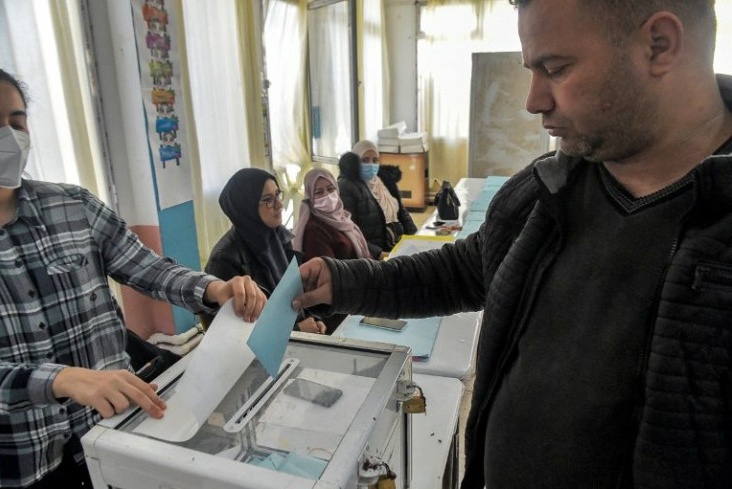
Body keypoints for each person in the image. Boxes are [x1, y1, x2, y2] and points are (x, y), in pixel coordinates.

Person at [293, 1, 732, 488]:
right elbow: (463, 271)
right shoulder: (551, 186)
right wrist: (346, 279)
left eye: (556, 68)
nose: (534, 101)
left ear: (659, 45)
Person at [0, 68, 268, 488]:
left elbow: (147, 267)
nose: (8, 137)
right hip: (25, 460)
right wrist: (62, 379)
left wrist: (214, 288)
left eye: (16, 122)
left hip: (116, 429)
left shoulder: (72, 206)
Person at [205, 167, 325, 334]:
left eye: (277, 195)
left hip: (295, 341)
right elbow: (236, 333)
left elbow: (294, 293)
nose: (279, 205)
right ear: (246, 206)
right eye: (268, 199)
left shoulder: (279, 238)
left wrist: (313, 318)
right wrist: (296, 330)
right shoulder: (225, 260)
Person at [337, 140, 417, 258]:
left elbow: (402, 212)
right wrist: (379, 254)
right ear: (355, 162)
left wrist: (416, 238)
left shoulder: (383, 180)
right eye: (365, 160)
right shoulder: (347, 187)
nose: (371, 165)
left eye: (375, 160)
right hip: (376, 254)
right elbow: (352, 232)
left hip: (398, 245)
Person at [292, 167, 373, 261]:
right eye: (319, 192)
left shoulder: (343, 219)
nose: (327, 195)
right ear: (310, 197)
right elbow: (328, 271)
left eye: (330, 189)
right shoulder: (314, 230)